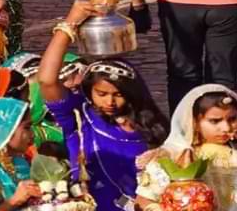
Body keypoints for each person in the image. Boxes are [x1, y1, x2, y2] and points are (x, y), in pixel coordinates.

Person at [37, 23, 168, 211]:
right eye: (101, 94)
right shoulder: (79, 117)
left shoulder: (151, 126)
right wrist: (69, 25)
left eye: (118, 95)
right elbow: (47, 81)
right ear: (90, 91)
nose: (110, 102)